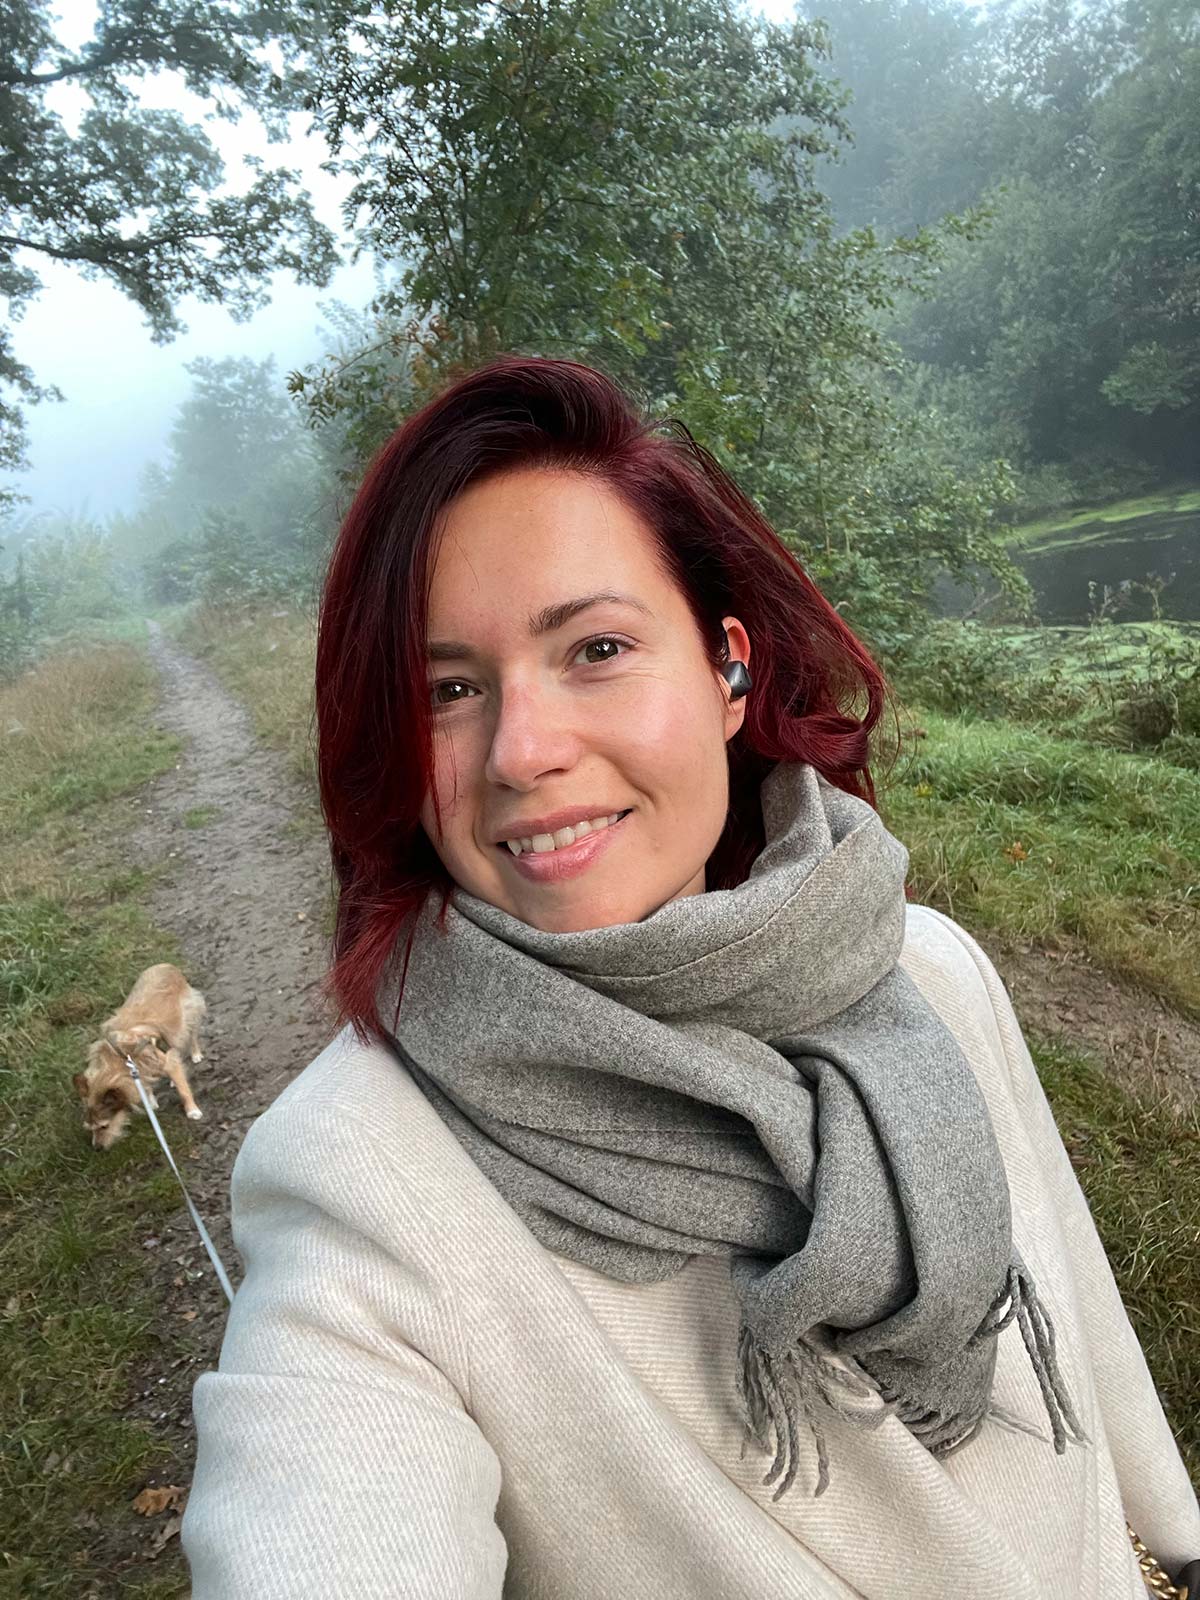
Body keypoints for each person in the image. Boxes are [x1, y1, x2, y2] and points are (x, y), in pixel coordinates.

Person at [181, 354, 1199, 1598]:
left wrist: (1175, 1539)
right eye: (448, 689)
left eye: (597, 647)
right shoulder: (356, 1175)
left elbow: (1079, 1344)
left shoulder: (926, 969)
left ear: (726, 671)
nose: (522, 750)